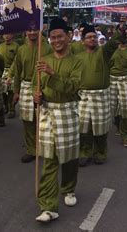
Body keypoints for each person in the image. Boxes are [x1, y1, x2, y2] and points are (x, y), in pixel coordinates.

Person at [33, 17, 83, 223]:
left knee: (69, 157)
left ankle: (69, 188)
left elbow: (73, 87)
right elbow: (38, 86)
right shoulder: (42, 59)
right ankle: (48, 206)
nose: (56, 40)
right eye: (52, 37)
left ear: (68, 37)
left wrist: (53, 75)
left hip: (67, 112)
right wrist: (38, 97)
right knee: (49, 159)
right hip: (47, 113)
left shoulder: (77, 62)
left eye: (60, 36)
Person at [76, 24, 120, 166]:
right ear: (83, 41)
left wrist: (120, 29)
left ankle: (100, 152)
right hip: (82, 97)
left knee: (100, 128)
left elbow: (113, 43)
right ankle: (84, 152)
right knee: (83, 128)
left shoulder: (103, 52)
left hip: (100, 96)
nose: (92, 39)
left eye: (94, 37)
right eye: (89, 37)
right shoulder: (77, 57)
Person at [13, 25, 52, 163]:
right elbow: (17, 72)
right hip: (25, 86)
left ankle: (45, 147)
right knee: (28, 121)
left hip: (43, 85)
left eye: (35, 29)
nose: (32, 32)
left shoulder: (47, 48)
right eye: (29, 30)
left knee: (43, 120)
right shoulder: (21, 49)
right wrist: (16, 91)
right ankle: (31, 149)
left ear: (40, 30)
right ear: (25, 32)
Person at [0, 33, 19, 118]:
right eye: (5, 34)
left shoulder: (16, 46)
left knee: (10, 92)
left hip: (12, 71)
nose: (6, 36)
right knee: (2, 92)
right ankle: (6, 106)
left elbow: (18, 60)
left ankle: (12, 109)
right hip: (2, 71)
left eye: (9, 34)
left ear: (12, 35)